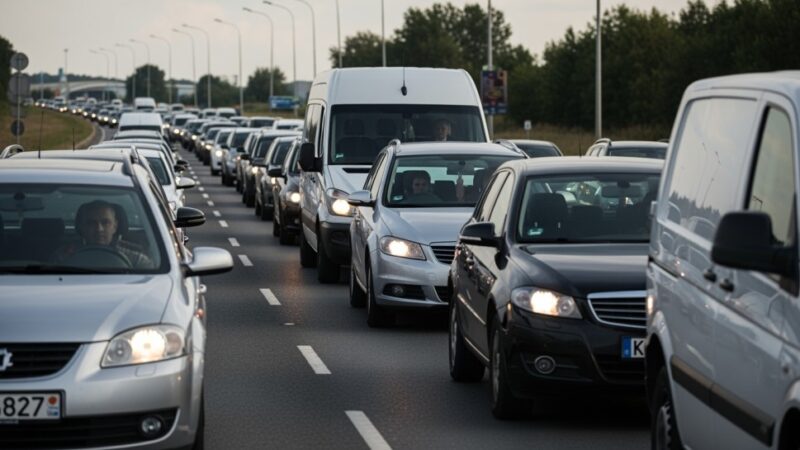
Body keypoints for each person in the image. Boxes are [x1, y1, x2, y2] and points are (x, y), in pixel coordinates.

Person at [54, 200, 153, 268]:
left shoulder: (136, 259)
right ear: (82, 227)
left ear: (115, 226)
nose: (99, 229)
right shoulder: (64, 257)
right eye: (92, 223)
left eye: (105, 223)